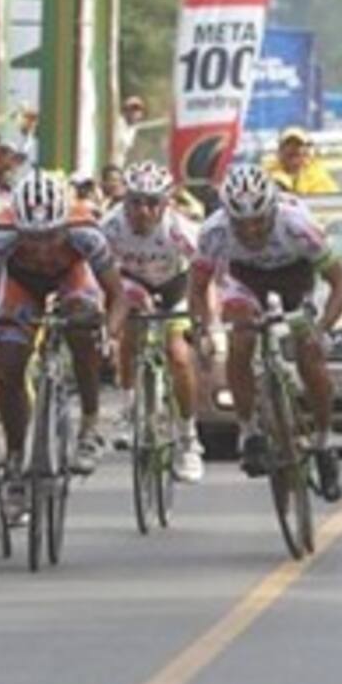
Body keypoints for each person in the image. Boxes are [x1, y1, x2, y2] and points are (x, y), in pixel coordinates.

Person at [0, 170, 128, 515]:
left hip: (72, 276)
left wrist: (109, 336)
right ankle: (15, 457)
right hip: (22, 285)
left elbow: (117, 296)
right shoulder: (0, 237)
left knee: (83, 325)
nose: (41, 248)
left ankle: (90, 422)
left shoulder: (86, 232)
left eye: (51, 236)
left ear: (64, 226)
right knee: (9, 365)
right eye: (31, 238)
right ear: (18, 227)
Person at [188, 165, 342, 502]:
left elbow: (340, 284)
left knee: (309, 352)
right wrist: (202, 329)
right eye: (241, 223)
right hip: (245, 280)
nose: (250, 231)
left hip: (297, 278)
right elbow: (197, 288)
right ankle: (248, 432)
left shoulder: (297, 226)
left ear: (273, 211)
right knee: (241, 336)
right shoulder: (214, 232)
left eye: (259, 221)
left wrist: (322, 328)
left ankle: (324, 442)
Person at [101, 161, 204, 482]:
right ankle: (130, 407)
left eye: (152, 203)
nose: (143, 211)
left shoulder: (180, 230)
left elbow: (206, 276)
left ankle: (188, 437)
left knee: (178, 355)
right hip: (133, 284)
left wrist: (206, 324)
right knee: (130, 329)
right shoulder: (110, 227)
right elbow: (98, 278)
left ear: (166, 203)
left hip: (176, 285)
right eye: (135, 202)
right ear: (124, 201)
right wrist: (105, 328)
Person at [265, 127, 339, 195]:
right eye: (288, 144)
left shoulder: (318, 176)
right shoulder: (267, 173)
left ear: (307, 152)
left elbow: (326, 203)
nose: (293, 148)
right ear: (280, 151)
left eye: (298, 144)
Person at [113, 95, 146, 165]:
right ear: (126, 111)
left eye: (138, 110)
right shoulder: (117, 123)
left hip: (119, 163)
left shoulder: (133, 128)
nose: (135, 113)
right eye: (133, 109)